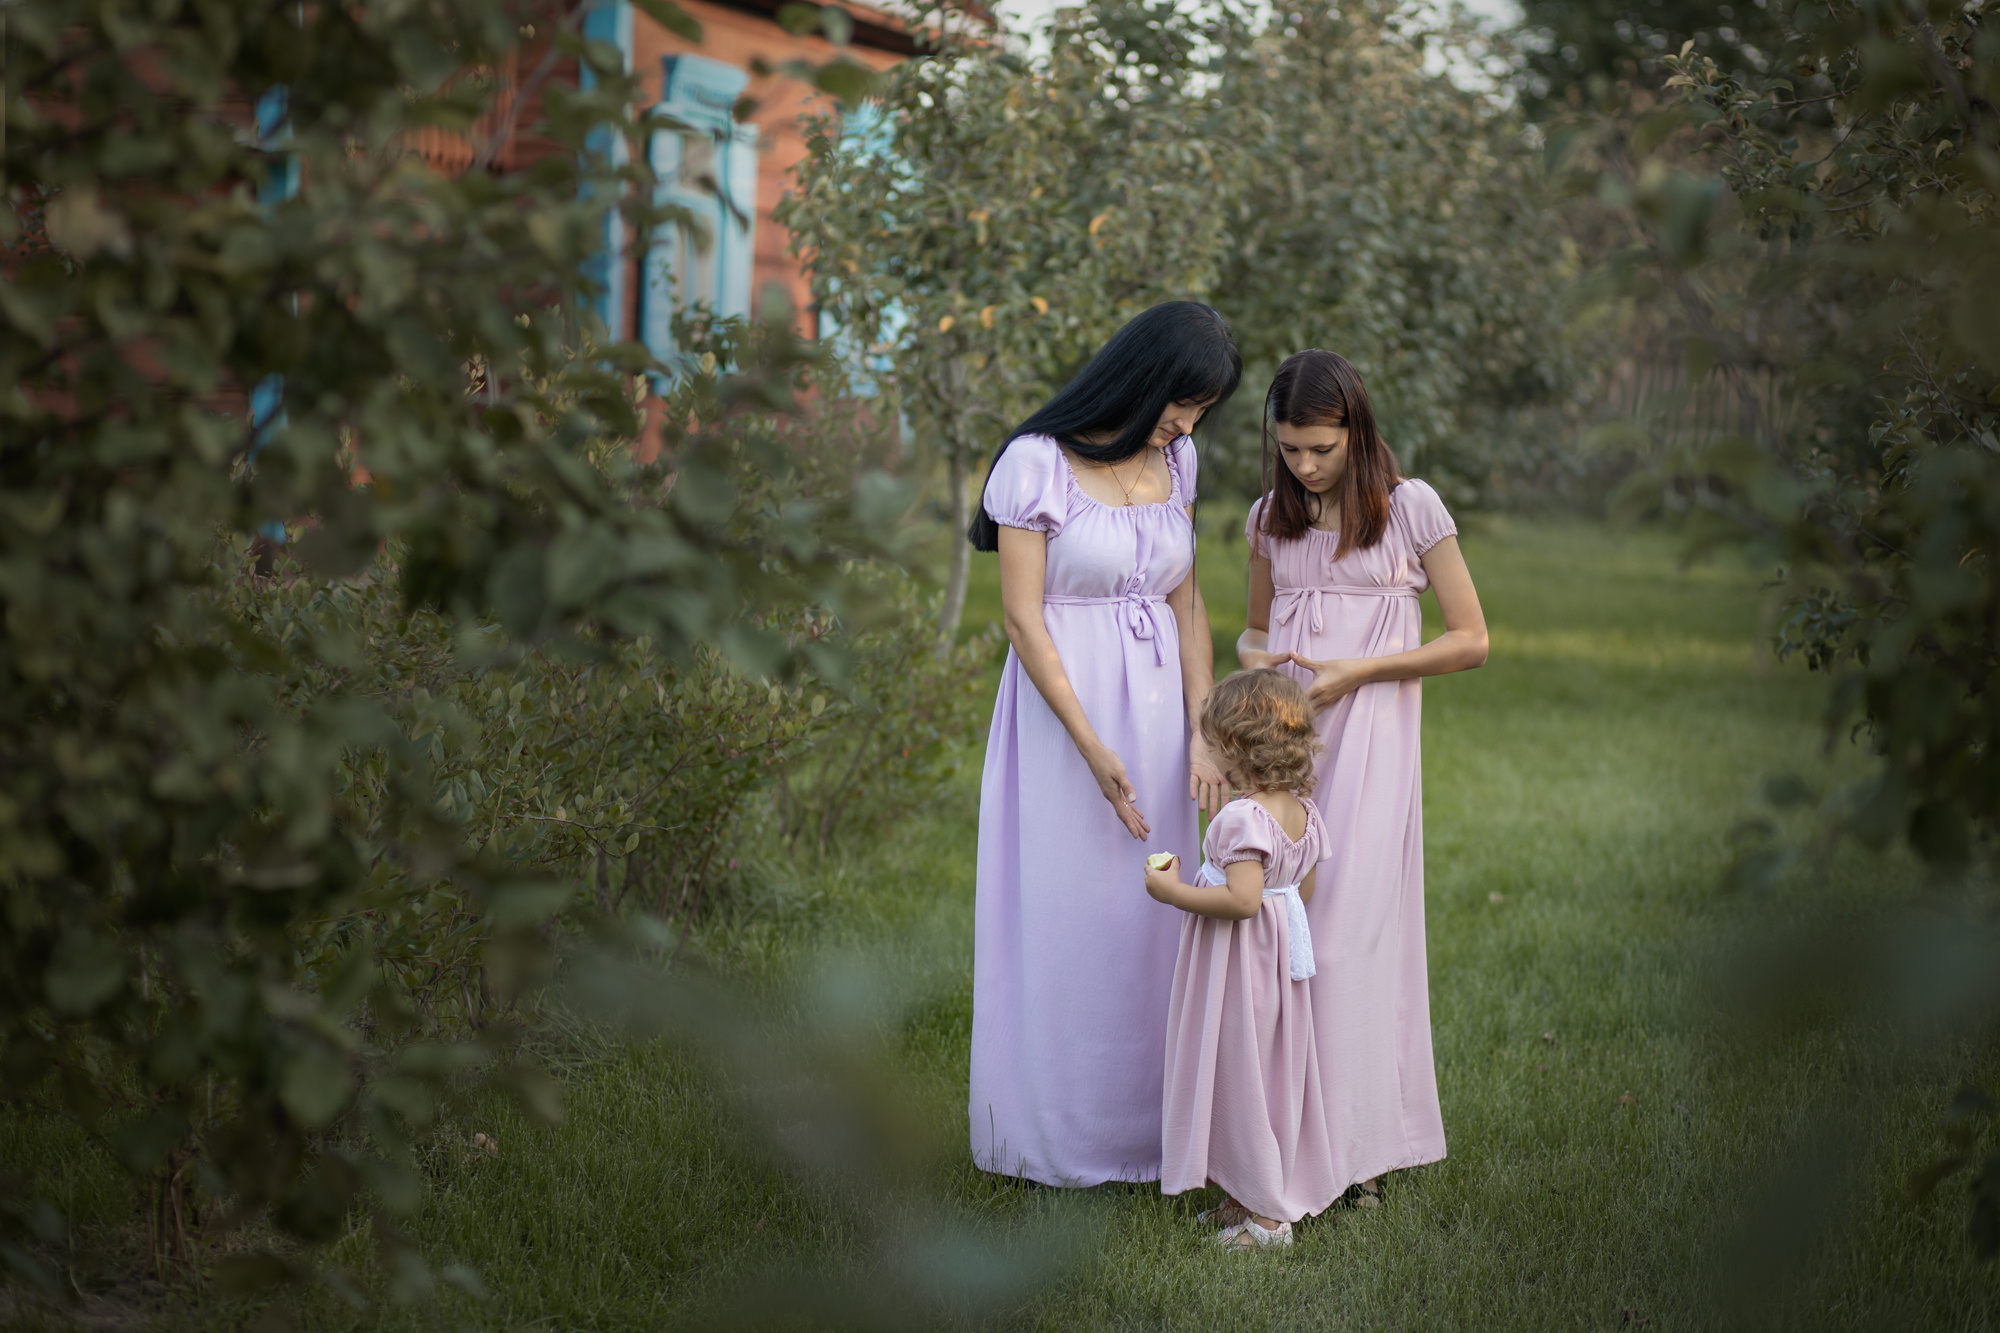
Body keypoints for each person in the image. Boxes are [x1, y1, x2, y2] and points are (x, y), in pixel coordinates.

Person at [970, 301, 1241, 1186]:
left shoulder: (1179, 462)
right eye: (1181, 402)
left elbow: (1187, 603)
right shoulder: (1034, 465)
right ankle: (1057, 1139)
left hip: (1162, 718)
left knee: (1152, 916)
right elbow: (1021, 617)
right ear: (1141, 375)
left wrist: (1203, 732)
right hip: (1064, 724)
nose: (1186, 423)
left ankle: (1160, 1134)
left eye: (1201, 410)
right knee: (1068, 914)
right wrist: (1089, 745)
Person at [1237, 349, 1489, 1207]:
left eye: (1320, 448)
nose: (1304, 466)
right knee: (1280, 934)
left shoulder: (1407, 509)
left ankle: (1360, 1157)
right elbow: (1250, 633)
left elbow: (1471, 639)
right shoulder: (1270, 517)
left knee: (1346, 941)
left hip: (1371, 739)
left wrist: (1359, 670)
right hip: (1286, 745)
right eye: (1291, 449)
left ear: (1355, 428)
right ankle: (1281, 1141)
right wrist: (1268, 674)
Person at [1145, 669, 1341, 1247]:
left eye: (1211, 741)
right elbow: (1298, 891)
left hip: (1238, 968)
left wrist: (1172, 891)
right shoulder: (1304, 812)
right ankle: (1245, 1193)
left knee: (1240, 1076)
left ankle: (1270, 1221)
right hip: (1279, 969)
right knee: (1263, 1075)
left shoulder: (1239, 819)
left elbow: (1242, 900)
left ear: (1235, 746)